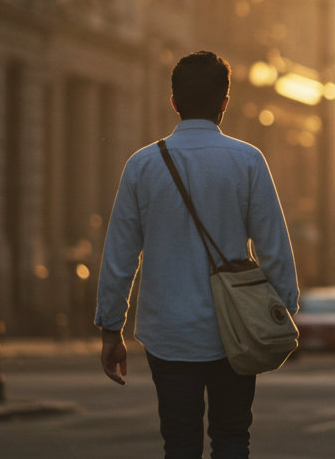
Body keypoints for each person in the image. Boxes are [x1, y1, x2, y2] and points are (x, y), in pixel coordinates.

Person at [95, 51, 299, 459]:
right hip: (237, 330)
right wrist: (282, 313)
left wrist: (111, 328)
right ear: (225, 102)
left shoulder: (142, 166)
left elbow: (119, 257)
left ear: (174, 102)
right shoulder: (248, 161)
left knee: (180, 443)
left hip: (168, 332)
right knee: (231, 436)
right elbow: (274, 248)